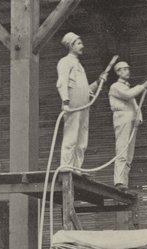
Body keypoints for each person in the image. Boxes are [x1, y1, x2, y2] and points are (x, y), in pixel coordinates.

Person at [56, 32, 107, 169]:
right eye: (79, 43)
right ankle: (67, 167)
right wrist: (65, 102)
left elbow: (85, 89)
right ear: (71, 46)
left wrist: (98, 82)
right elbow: (61, 83)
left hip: (84, 105)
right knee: (71, 136)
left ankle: (77, 167)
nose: (82, 46)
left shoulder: (79, 65)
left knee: (82, 139)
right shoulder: (65, 62)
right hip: (73, 105)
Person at [108, 61, 147, 190]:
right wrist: (143, 86)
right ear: (118, 72)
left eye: (128, 69)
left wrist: (139, 117)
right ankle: (119, 181)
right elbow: (128, 95)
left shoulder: (127, 87)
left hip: (131, 119)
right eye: (124, 69)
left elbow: (134, 104)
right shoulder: (115, 86)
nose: (128, 71)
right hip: (122, 118)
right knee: (122, 149)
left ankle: (124, 182)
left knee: (129, 153)